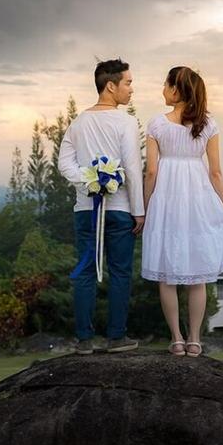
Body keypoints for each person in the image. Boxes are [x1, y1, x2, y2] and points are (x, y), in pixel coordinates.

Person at [141, 66, 223, 357]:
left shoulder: (157, 124)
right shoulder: (209, 125)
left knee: (167, 275)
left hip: (166, 201)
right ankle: (195, 339)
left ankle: (176, 339)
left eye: (165, 84)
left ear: (176, 89)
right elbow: (216, 173)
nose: (162, 90)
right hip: (199, 200)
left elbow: (152, 171)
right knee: (198, 276)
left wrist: (145, 209)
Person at [58, 58, 145, 354]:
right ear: (111, 86)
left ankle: (84, 340)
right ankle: (116, 338)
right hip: (120, 209)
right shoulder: (127, 121)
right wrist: (139, 210)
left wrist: (88, 180)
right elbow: (133, 168)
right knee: (120, 272)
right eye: (128, 83)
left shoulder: (78, 122)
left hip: (85, 210)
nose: (132, 89)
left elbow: (63, 164)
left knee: (85, 270)